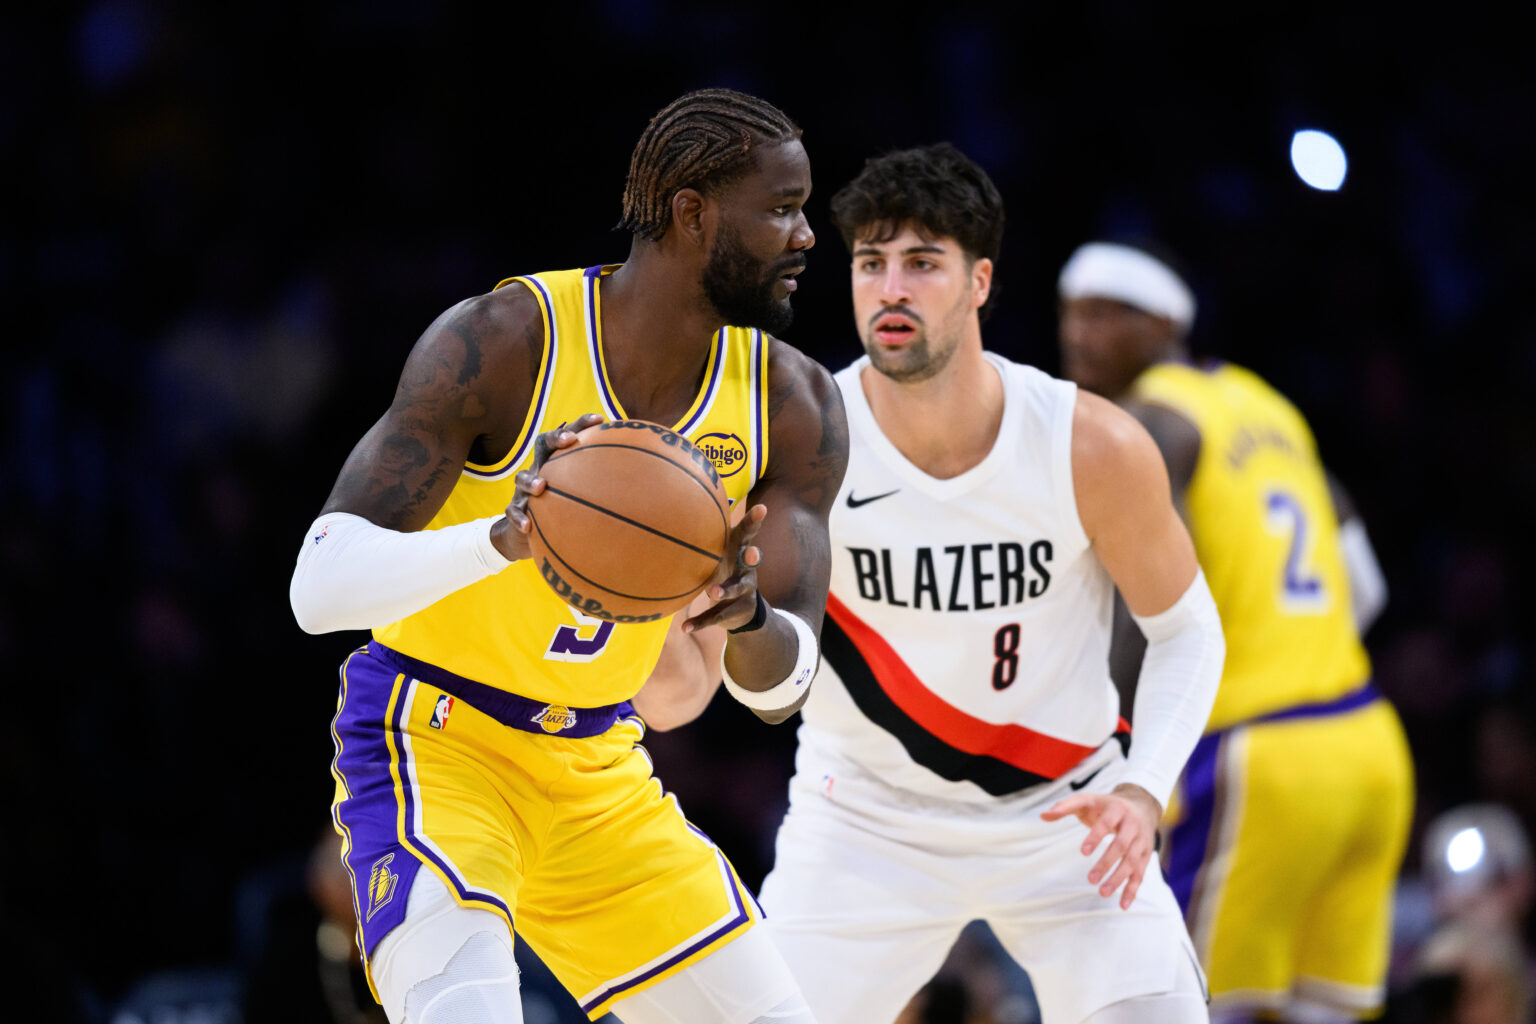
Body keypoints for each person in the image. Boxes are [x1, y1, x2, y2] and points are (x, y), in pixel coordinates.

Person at [288, 87, 848, 1024]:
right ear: (692, 211)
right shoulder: (506, 340)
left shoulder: (793, 404)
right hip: (434, 745)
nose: (805, 237)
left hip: (598, 769)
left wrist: (744, 617)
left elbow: (779, 690)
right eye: (782, 207)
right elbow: (318, 587)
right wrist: (506, 535)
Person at [758, 143, 1224, 1024]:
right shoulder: (800, 440)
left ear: (979, 281)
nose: (891, 288)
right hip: (864, 820)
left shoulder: (1090, 443)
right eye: (871, 263)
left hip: (1070, 816)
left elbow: (1188, 632)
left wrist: (1142, 786)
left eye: (922, 263)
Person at [1057, 240, 1415, 1023]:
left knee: (1175, 1003)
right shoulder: (1268, 407)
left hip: (1258, 758)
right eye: (1070, 313)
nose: (1077, 333)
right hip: (1369, 749)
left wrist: (1102, 748)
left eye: (1103, 315)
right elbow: (1366, 585)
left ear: (1162, 323)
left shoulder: (1148, 420)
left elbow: (1141, 612)